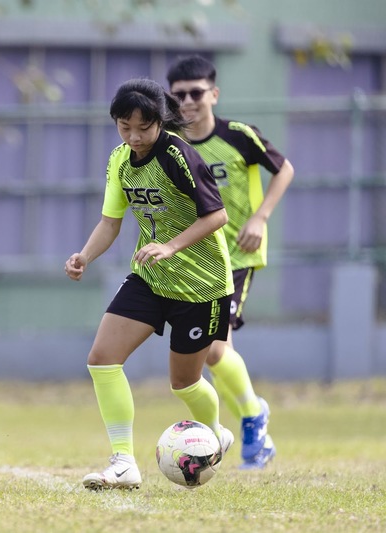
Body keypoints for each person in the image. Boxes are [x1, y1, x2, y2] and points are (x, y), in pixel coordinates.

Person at [65, 78, 235, 491]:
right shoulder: (120, 159)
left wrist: (171, 246)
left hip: (202, 284)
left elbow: (217, 216)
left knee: (185, 383)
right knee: (102, 359)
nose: (135, 136)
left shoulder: (179, 154)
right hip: (151, 277)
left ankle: (214, 433)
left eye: (143, 127)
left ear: (160, 122)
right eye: (125, 127)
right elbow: (110, 222)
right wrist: (85, 255)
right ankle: (123, 462)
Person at [167, 55, 294, 469]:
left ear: (213, 94)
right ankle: (255, 432)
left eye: (196, 92)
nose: (188, 101)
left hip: (236, 254)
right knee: (215, 353)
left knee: (214, 349)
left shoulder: (238, 136)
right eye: (179, 94)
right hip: (195, 258)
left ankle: (252, 417)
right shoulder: (169, 143)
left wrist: (260, 217)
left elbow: (284, 168)